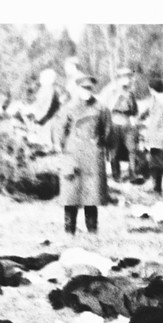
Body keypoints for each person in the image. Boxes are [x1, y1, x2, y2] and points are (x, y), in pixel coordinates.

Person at [58, 74, 112, 236]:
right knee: (71, 195)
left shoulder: (101, 108)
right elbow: (61, 131)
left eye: (89, 88)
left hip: (93, 156)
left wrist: (98, 145)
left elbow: (107, 131)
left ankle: (92, 231)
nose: (87, 91)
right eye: (84, 88)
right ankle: (69, 231)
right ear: (77, 88)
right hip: (73, 155)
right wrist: (66, 149)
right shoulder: (68, 108)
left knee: (92, 195)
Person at [101, 67, 142, 182]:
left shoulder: (130, 93)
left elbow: (134, 110)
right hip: (113, 121)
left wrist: (134, 121)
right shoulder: (110, 91)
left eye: (129, 77)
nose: (128, 80)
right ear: (119, 79)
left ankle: (133, 173)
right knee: (114, 150)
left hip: (127, 122)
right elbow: (104, 107)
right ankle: (116, 174)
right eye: (125, 77)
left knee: (132, 149)